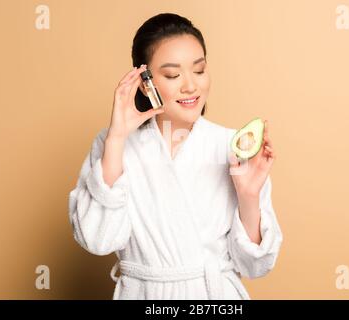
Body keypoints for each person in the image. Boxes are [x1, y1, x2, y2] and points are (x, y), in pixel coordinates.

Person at [68, 13, 283, 300]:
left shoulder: (232, 145)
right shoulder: (113, 144)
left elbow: (255, 266)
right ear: (146, 83)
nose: (190, 86)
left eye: (199, 70)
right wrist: (117, 138)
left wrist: (248, 197)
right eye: (172, 75)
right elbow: (98, 239)